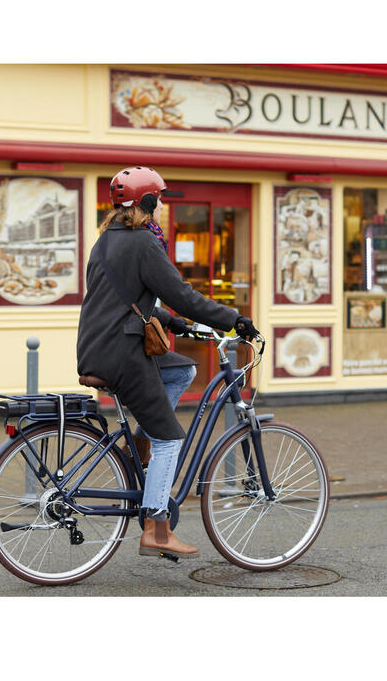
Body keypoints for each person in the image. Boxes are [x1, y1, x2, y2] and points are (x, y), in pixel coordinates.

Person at [77, 166, 257, 560]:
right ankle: (157, 531)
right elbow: (180, 292)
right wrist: (234, 320)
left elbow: (135, 298)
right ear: (145, 202)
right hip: (122, 354)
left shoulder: (106, 240)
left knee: (182, 369)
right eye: (158, 198)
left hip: (98, 347)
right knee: (170, 438)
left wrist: (178, 325)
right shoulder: (142, 242)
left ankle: (140, 442)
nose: (160, 206)